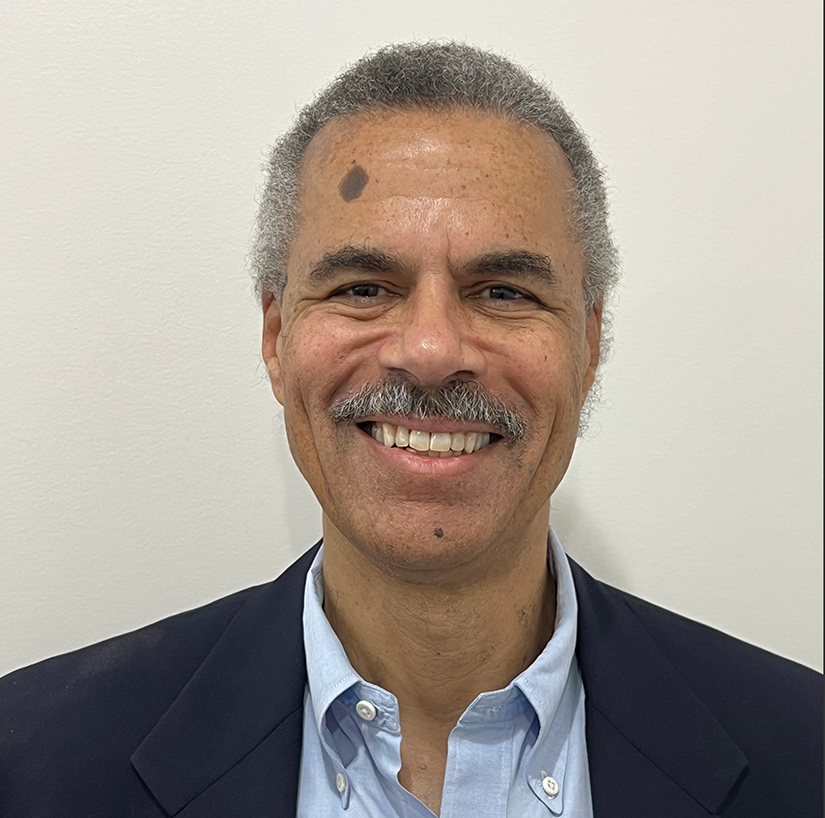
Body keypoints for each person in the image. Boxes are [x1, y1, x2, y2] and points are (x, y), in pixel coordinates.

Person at [0, 42, 821, 818]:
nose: (429, 351)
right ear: (275, 337)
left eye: (503, 291)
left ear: (590, 343)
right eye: (362, 287)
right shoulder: (35, 760)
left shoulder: (801, 752)